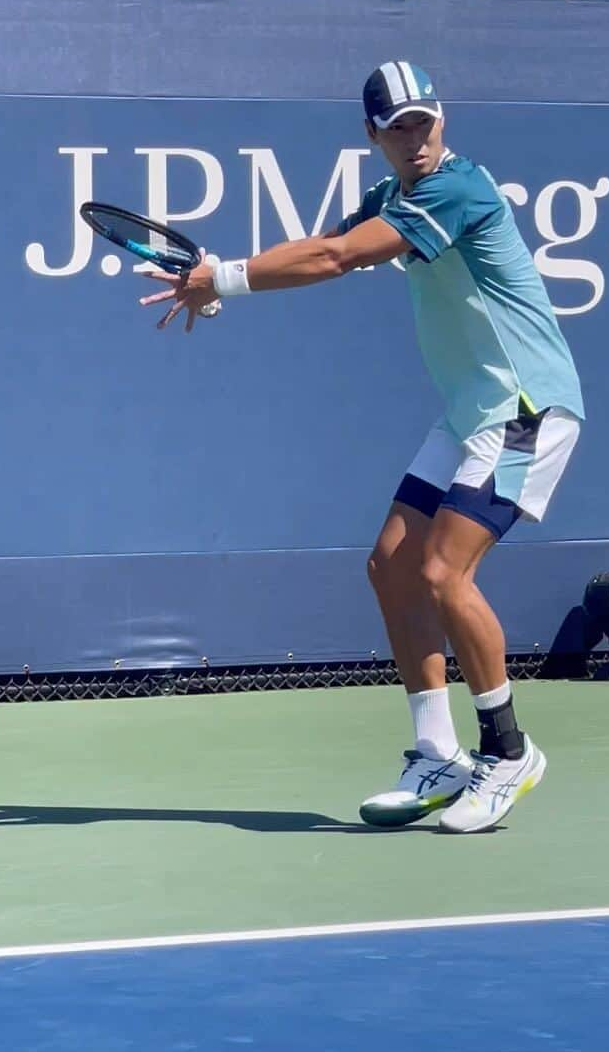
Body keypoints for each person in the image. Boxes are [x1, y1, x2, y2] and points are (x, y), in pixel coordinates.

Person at [139, 61, 584, 834]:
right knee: (390, 566)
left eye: (425, 123)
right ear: (372, 137)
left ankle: (508, 753)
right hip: (469, 410)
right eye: (397, 129)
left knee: (445, 571)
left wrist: (228, 277)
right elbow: (324, 246)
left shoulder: (459, 188)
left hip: (526, 406)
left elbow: (340, 259)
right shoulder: (389, 196)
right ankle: (436, 754)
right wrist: (216, 287)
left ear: (442, 120)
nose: (415, 141)